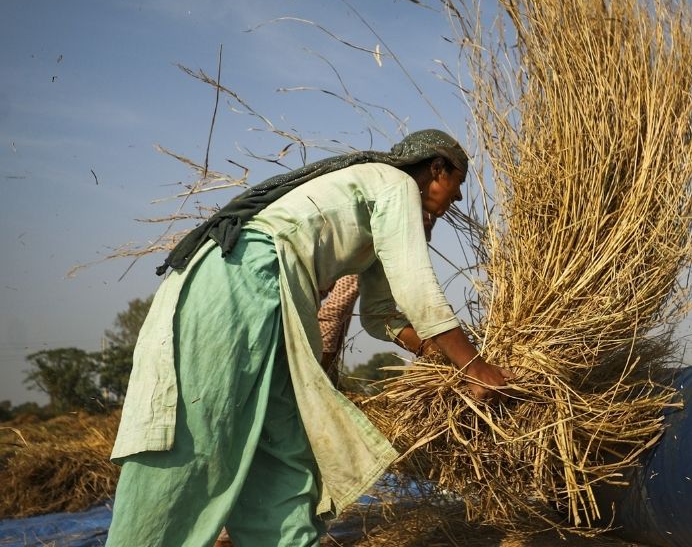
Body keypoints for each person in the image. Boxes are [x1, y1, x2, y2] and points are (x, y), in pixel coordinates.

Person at [107, 129, 511, 546]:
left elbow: (379, 316)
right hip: (240, 280)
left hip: (277, 301)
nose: (455, 199)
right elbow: (418, 288)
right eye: (457, 185)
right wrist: (474, 366)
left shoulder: (384, 202)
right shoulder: (396, 184)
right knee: (200, 431)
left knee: (284, 447)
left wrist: (431, 350)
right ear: (437, 168)